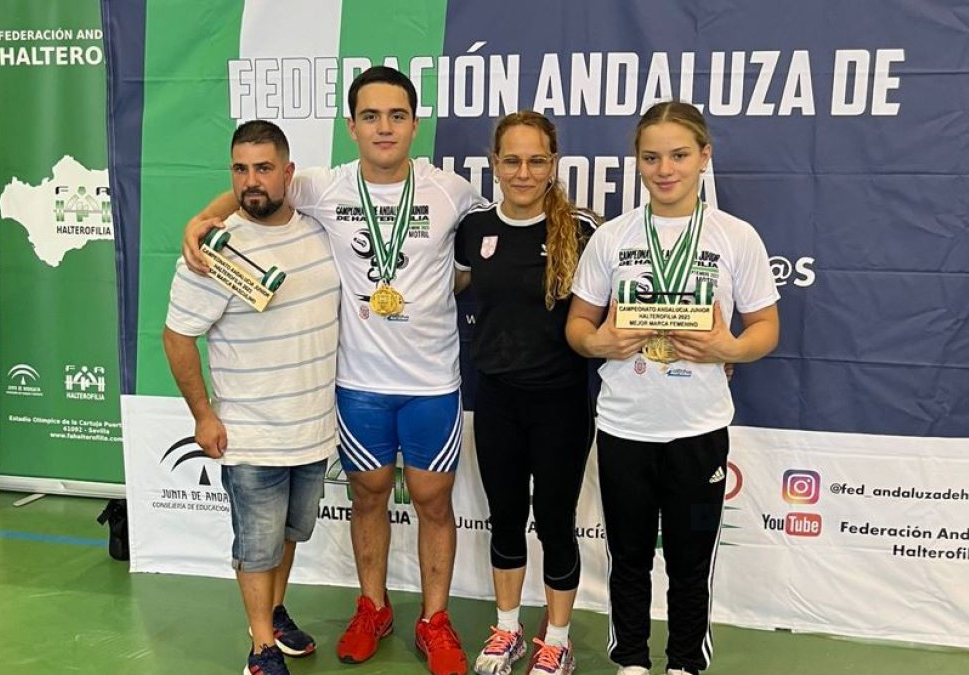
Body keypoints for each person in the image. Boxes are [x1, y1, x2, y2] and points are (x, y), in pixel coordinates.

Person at [182, 67, 486, 675]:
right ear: (351, 126)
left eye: (396, 116)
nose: (384, 127)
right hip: (357, 383)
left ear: (414, 123)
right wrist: (201, 220)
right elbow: (255, 186)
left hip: (431, 383)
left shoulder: (449, 191)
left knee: (432, 500)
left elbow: (493, 244)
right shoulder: (324, 186)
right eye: (370, 116)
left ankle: (435, 618)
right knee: (370, 498)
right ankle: (372, 606)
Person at [565, 101, 780, 675]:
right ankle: (631, 660)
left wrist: (729, 349)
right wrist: (601, 343)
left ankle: (685, 661)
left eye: (679, 155)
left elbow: (766, 328)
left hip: (698, 425)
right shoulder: (613, 237)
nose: (665, 169)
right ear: (637, 161)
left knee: (691, 559)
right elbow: (578, 328)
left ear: (704, 157)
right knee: (628, 556)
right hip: (624, 425)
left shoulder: (735, 237)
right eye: (652, 156)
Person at [162, 120, 340, 675]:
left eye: (264, 168)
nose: (251, 181)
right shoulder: (212, 252)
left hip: (313, 429)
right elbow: (176, 335)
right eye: (240, 169)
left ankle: (276, 612)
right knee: (257, 548)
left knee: (290, 536)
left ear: (289, 174)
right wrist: (203, 415)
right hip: (251, 434)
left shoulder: (318, 228)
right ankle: (261, 646)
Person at [452, 111, 597, 675]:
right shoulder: (473, 230)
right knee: (506, 518)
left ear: (553, 164)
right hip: (496, 401)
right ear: (494, 164)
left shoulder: (581, 231)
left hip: (560, 403)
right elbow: (448, 284)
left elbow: (614, 306)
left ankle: (556, 639)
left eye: (536, 160)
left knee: (556, 522)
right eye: (511, 160)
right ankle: (507, 630)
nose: (523, 171)